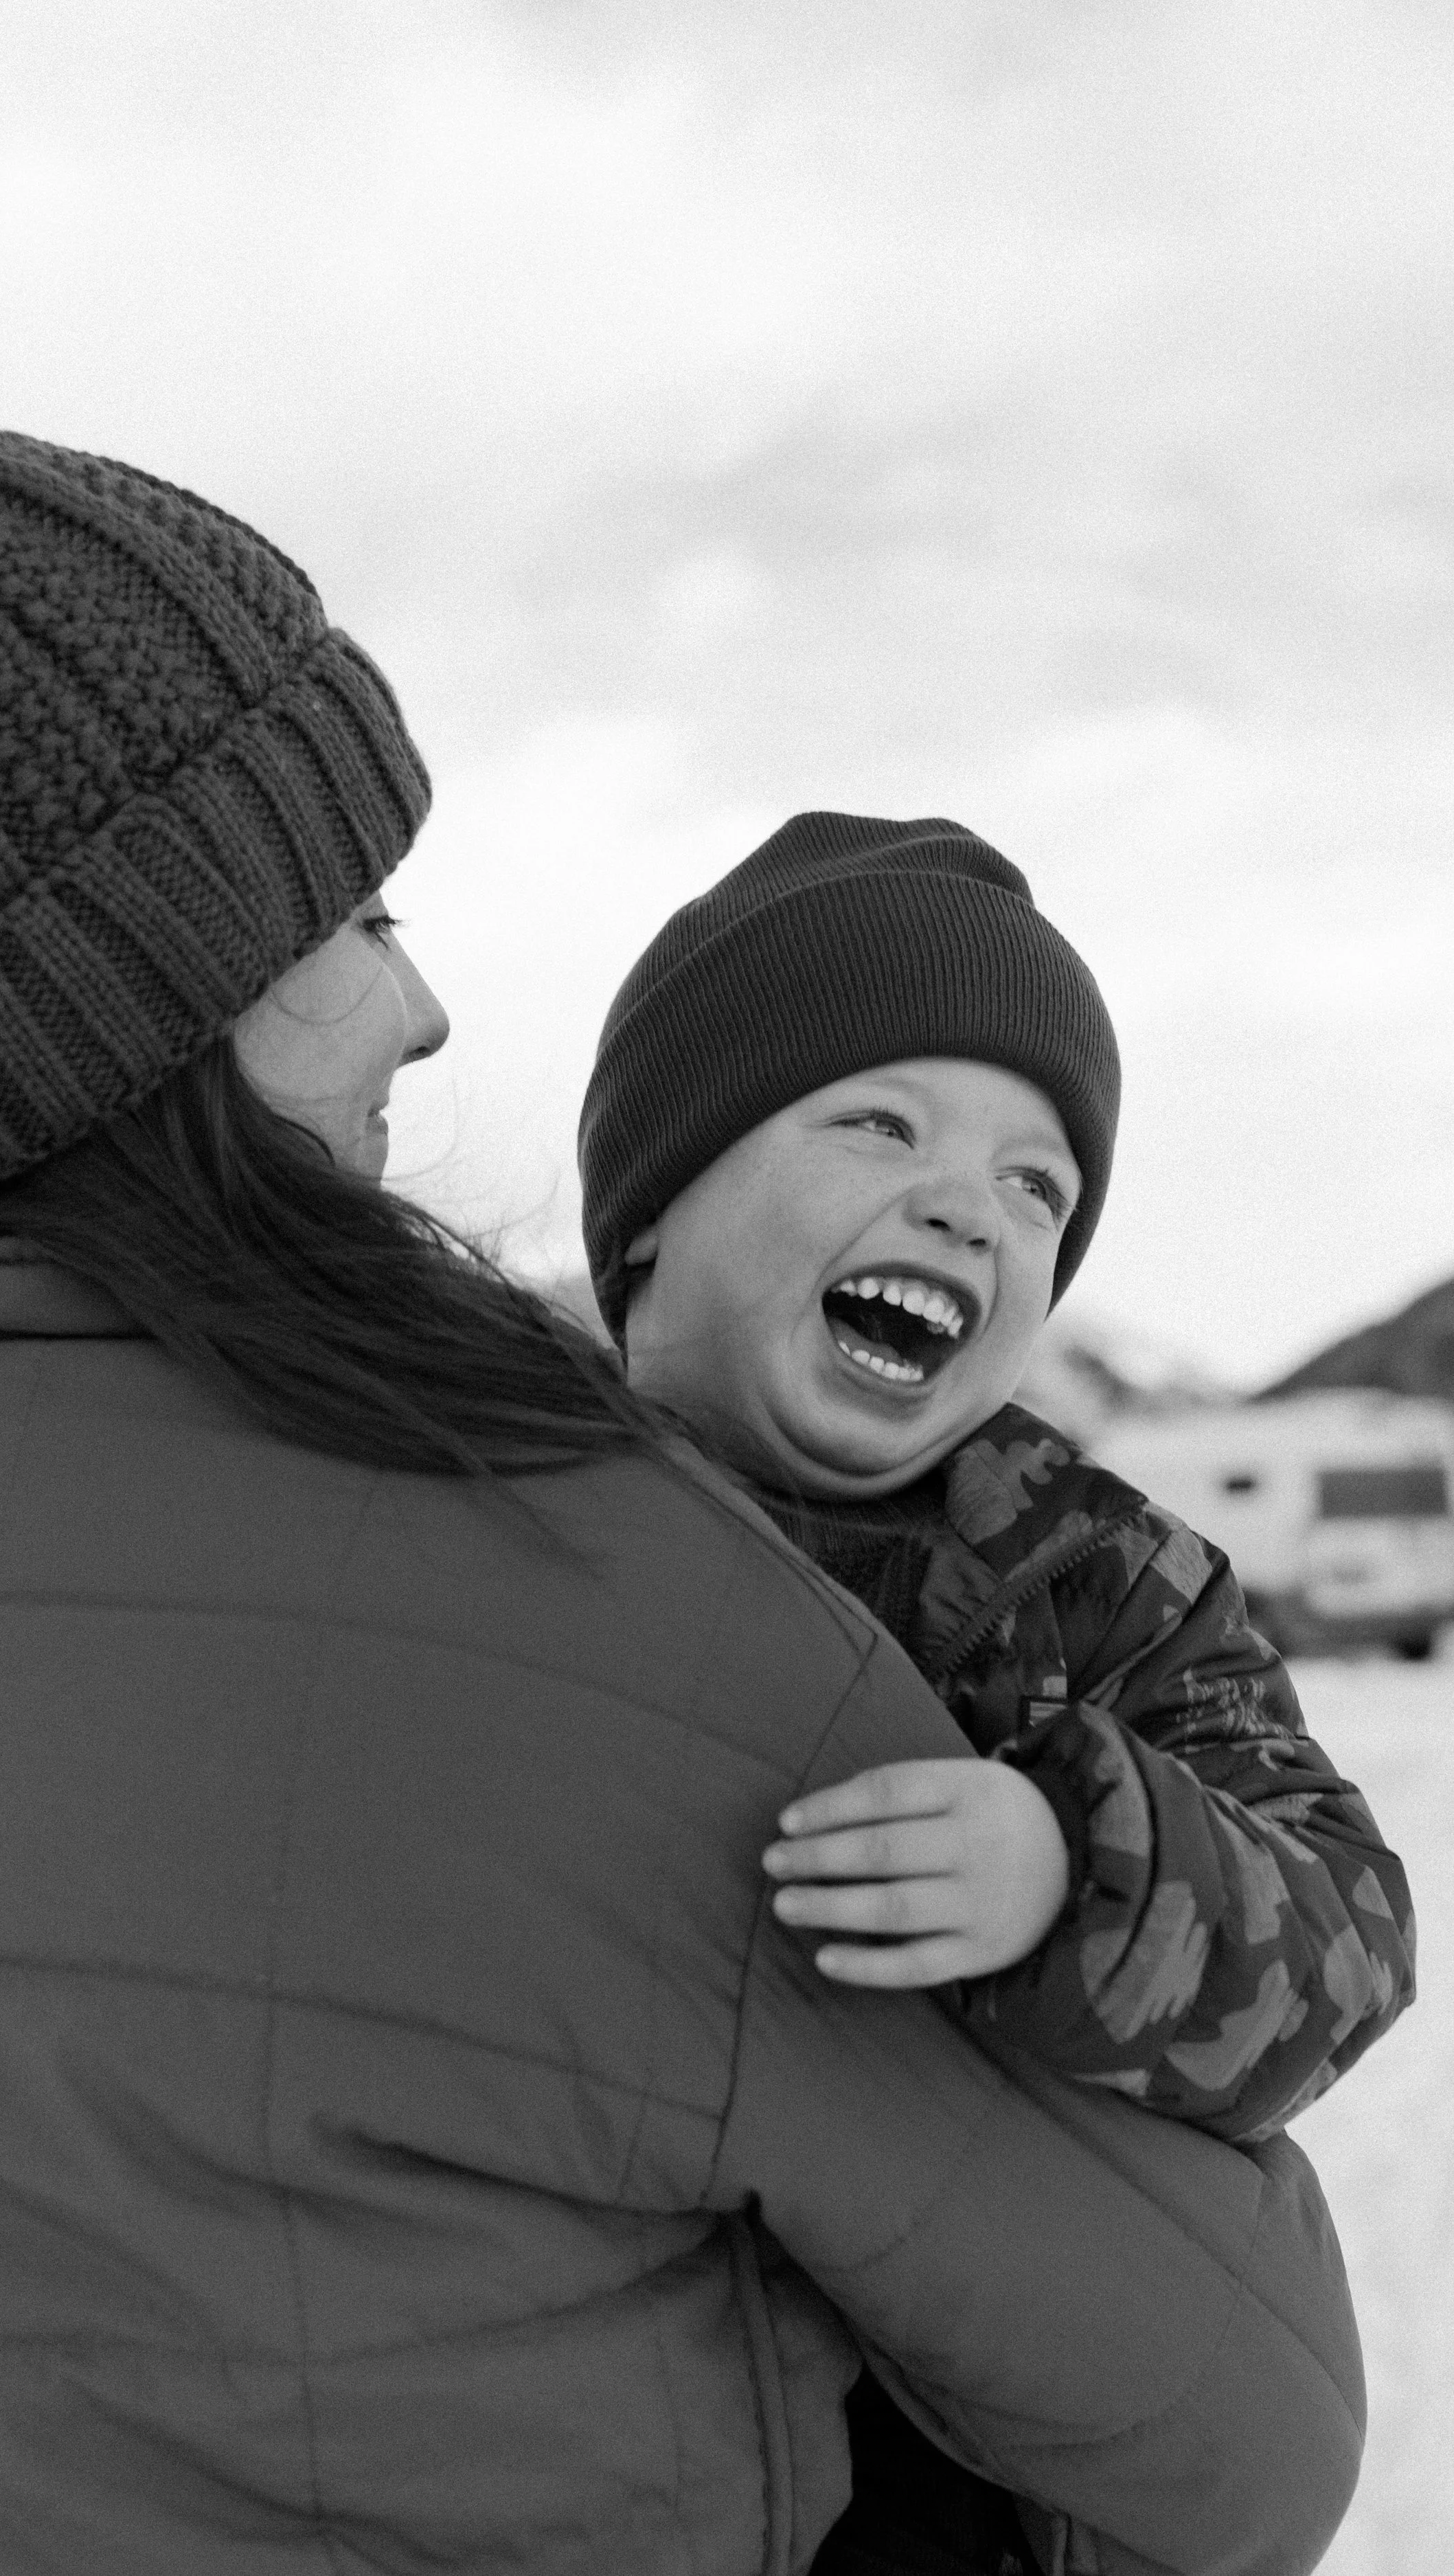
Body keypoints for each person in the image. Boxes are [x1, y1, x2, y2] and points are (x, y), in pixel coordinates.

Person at [0, 278, 1364, 2576]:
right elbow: (1245, 2432)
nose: (423, 1001)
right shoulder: (576, 1590)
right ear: (148, 983)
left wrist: (1088, 1850)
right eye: (350, 910)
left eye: (1041, 1186)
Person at [579, 809, 1416, 2573]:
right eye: (877, 1121)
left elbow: (1348, 1937)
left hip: (980, 2462)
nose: (971, 1198)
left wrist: (1073, 1865)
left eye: (1037, 1183)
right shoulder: (490, 1520)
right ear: (654, 1204)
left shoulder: (1096, 1578)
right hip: (588, 2404)